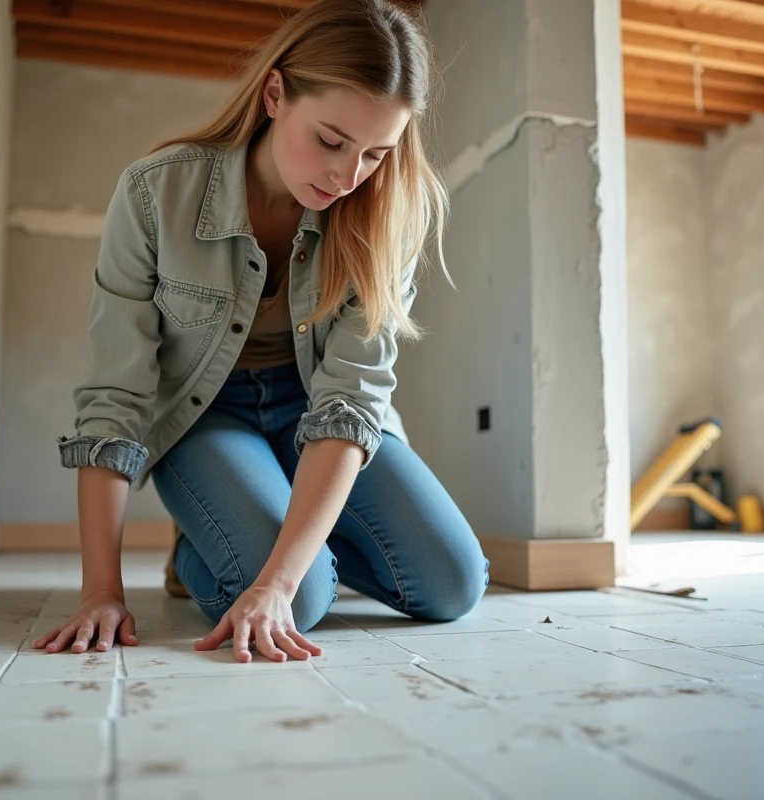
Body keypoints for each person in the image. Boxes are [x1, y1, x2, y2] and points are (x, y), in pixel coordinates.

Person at [34, 0, 488, 664]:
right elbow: (117, 399)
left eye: (375, 154)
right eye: (331, 140)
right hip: (208, 418)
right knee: (306, 603)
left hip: (323, 415)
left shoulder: (387, 212)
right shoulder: (152, 196)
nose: (347, 176)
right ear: (275, 93)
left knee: (453, 584)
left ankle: (252, 531)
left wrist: (274, 577)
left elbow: (351, 404)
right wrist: (100, 589)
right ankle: (208, 544)